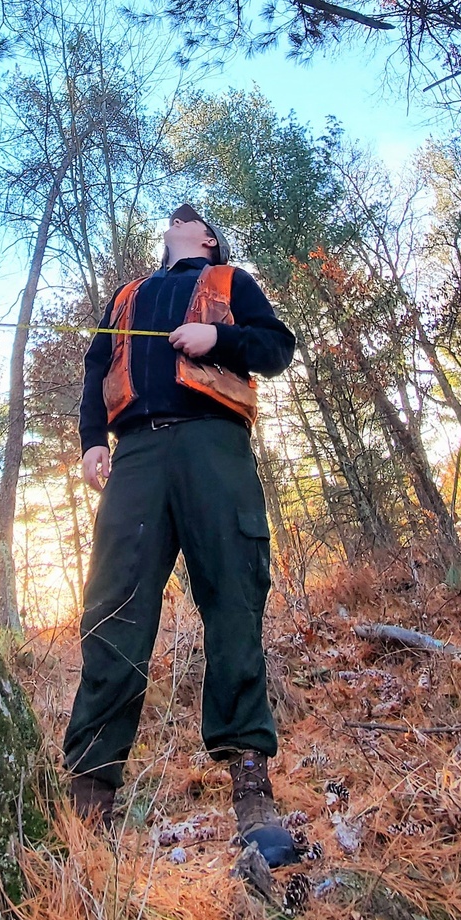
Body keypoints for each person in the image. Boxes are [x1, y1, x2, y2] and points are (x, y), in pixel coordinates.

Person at [63, 205, 300, 867]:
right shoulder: (127, 295)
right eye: (174, 216)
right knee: (112, 608)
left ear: (208, 239)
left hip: (213, 444)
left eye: (191, 217)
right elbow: (93, 370)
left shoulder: (230, 281)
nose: (179, 218)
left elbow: (275, 346)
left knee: (233, 599)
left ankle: (251, 786)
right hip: (135, 455)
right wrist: (90, 441)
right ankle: (90, 797)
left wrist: (214, 338)